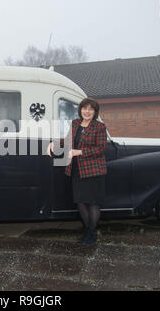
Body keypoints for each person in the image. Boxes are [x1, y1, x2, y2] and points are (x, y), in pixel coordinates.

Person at [48, 98, 107, 245]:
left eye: (90, 109)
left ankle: (92, 234)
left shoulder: (99, 127)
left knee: (92, 203)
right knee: (80, 202)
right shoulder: (75, 124)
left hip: (93, 171)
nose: (87, 111)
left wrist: (79, 152)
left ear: (95, 112)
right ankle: (88, 231)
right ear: (80, 110)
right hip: (77, 169)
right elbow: (68, 140)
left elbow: (101, 148)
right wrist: (53, 144)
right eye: (84, 108)